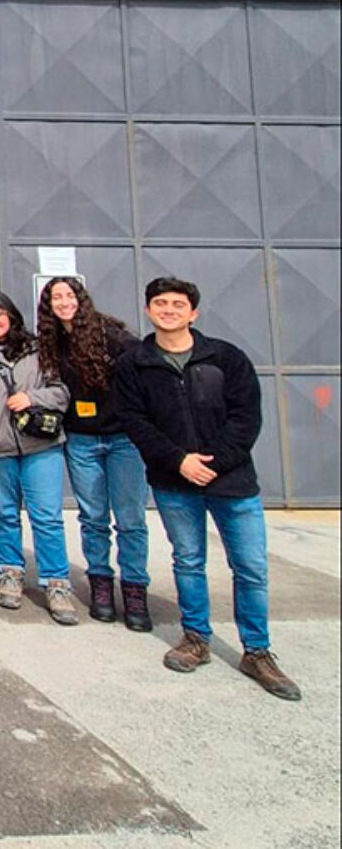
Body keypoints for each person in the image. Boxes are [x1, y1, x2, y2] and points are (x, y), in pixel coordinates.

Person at [115, 277, 301, 701]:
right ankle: (196, 638)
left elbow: (246, 418)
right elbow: (135, 421)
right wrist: (179, 460)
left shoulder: (226, 358)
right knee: (188, 561)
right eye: (160, 303)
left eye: (177, 304)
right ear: (148, 310)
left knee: (250, 566)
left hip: (233, 481)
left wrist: (212, 463)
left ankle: (257, 650)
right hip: (173, 481)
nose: (168, 310)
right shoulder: (134, 364)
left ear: (193, 312)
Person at [0, 290, 77, 625]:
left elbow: (62, 391)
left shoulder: (38, 349)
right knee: (5, 514)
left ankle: (56, 583)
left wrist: (31, 397)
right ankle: (10, 572)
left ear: (12, 316)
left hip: (41, 447)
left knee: (47, 517)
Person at [37, 277, 150, 630]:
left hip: (123, 439)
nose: (63, 302)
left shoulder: (113, 336)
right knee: (93, 517)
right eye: (56, 297)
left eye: (69, 295)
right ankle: (101, 583)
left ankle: (134, 588)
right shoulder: (50, 343)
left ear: (81, 298)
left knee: (130, 519)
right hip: (82, 440)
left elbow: (143, 377)